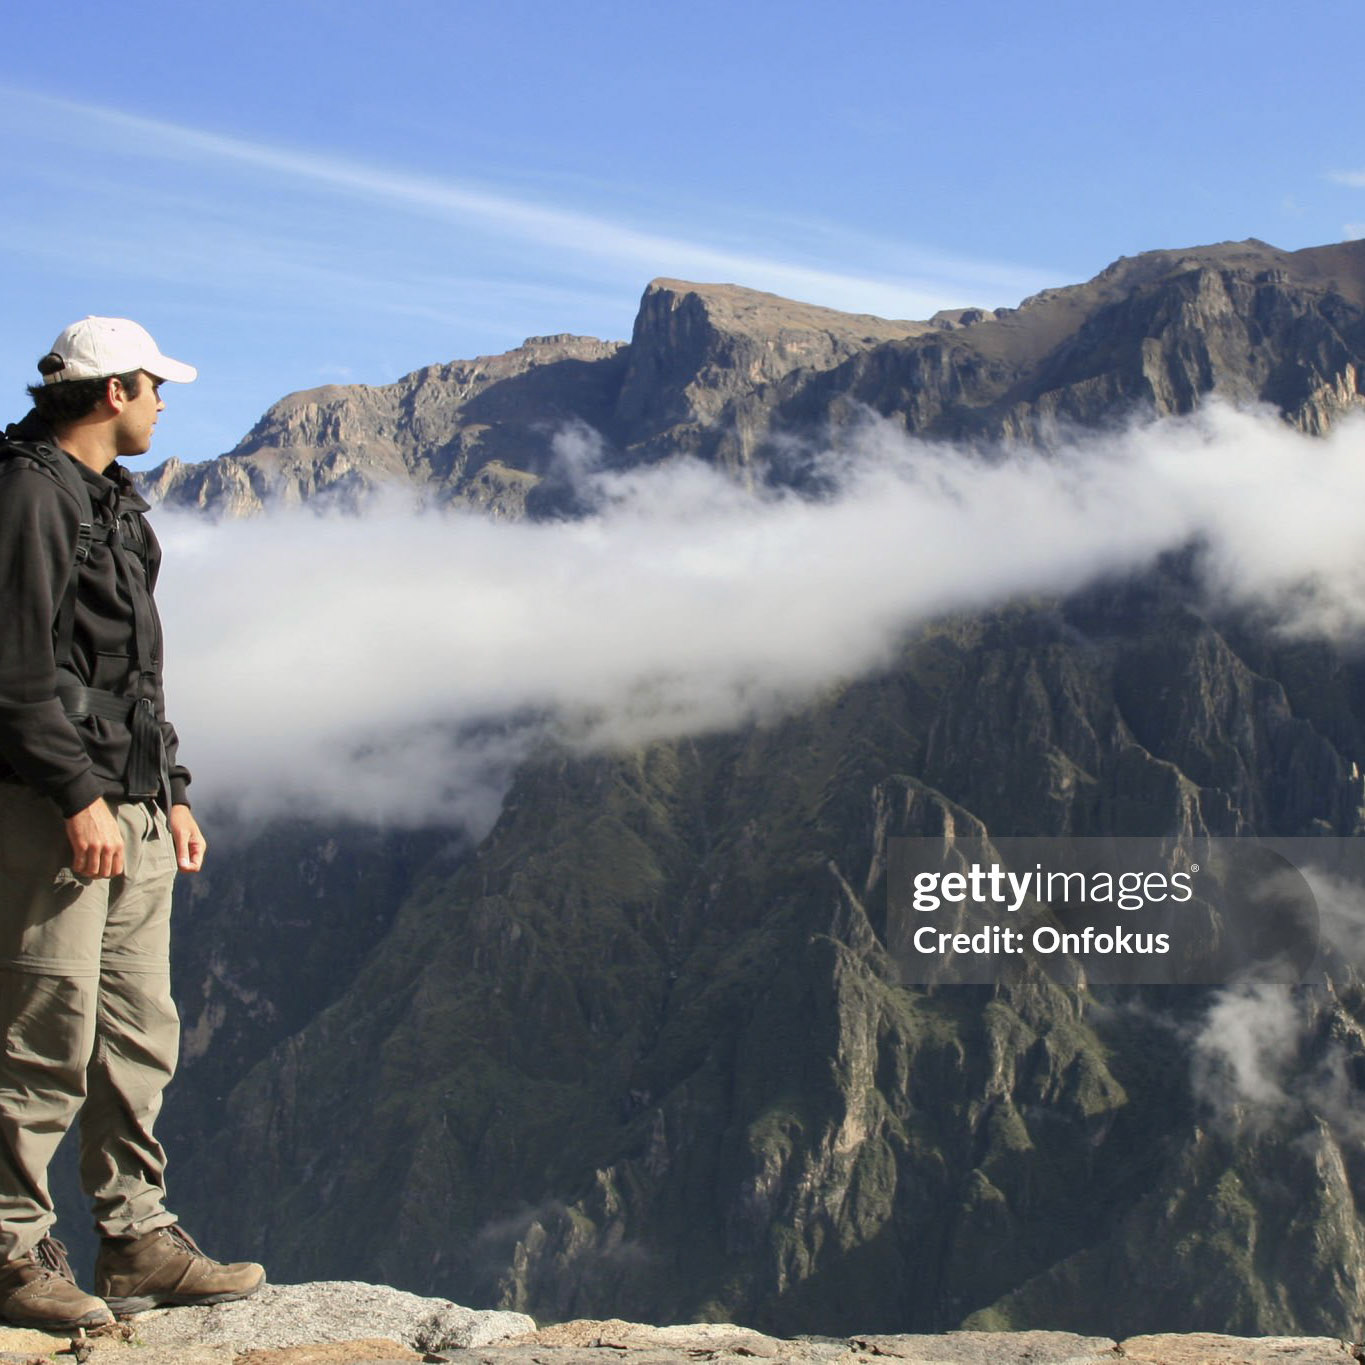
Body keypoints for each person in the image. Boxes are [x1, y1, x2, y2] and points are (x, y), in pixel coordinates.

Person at [0, 317, 264, 1330]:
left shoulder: (112, 504)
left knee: (135, 1034)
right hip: (55, 814)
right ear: (114, 391)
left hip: (134, 807)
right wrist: (76, 796)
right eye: (156, 387)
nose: (163, 403)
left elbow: (132, 678)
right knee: (40, 1037)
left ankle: (136, 1239)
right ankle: (13, 1256)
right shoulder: (30, 493)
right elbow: (16, 674)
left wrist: (172, 790)